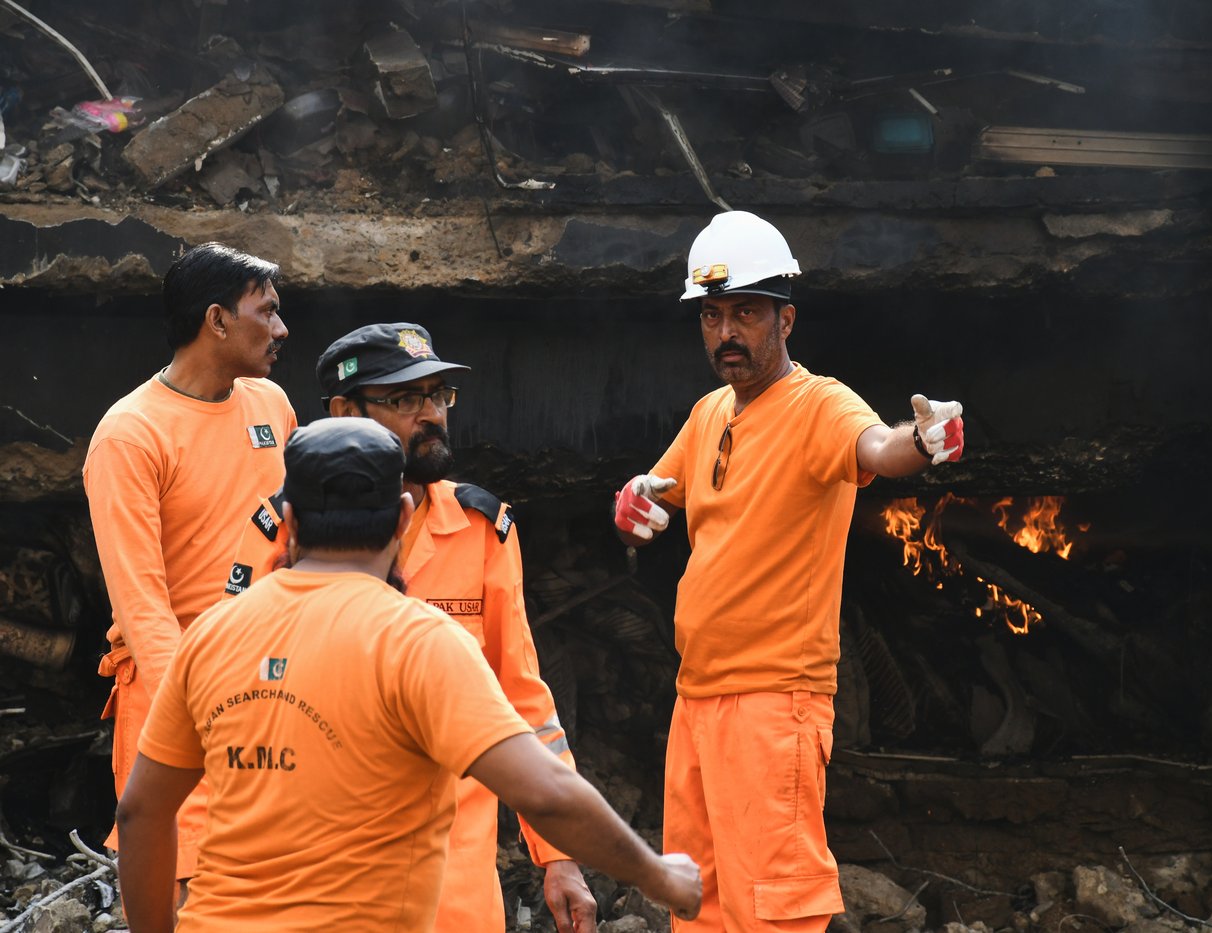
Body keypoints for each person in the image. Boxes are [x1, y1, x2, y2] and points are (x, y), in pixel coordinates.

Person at [116, 419, 703, 933]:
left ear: (289, 520)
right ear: (401, 517)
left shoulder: (210, 636)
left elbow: (141, 812)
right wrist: (658, 875)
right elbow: (545, 791)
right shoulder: (420, 641)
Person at [611, 210, 965, 933]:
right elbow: (658, 488)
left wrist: (923, 442)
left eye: (745, 312)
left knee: (777, 909)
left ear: (786, 320)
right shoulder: (711, 411)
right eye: (712, 315)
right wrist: (632, 500)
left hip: (775, 699)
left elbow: (878, 447)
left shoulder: (819, 406)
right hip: (698, 697)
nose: (726, 332)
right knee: (698, 902)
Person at [228, 322, 595, 933]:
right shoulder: (283, 530)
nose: (432, 415)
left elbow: (523, 700)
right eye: (405, 399)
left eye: (438, 396)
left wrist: (559, 855)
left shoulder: (484, 530)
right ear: (344, 412)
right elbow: (234, 706)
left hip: (456, 893)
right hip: (321, 887)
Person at [83, 242, 293, 884]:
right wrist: (199, 711)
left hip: (274, 686)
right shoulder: (131, 434)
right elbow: (141, 605)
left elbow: (295, 547)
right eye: (268, 311)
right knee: (188, 891)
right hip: (179, 698)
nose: (282, 329)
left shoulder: (271, 405)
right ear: (218, 320)